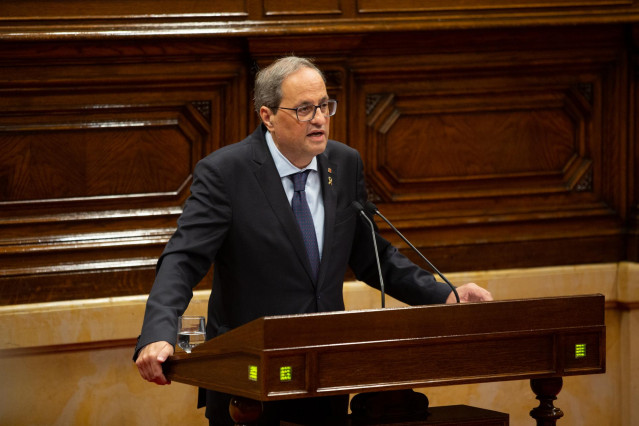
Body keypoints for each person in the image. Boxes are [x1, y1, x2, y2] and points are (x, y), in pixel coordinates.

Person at [134, 56, 492, 425]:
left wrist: (444, 294)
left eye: (324, 105)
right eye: (304, 109)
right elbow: (182, 260)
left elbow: (374, 257)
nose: (320, 118)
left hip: (325, 378)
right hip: (250, 385)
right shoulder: (226, 173)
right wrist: (158, 333)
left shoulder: (344, 163)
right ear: (267, 116)